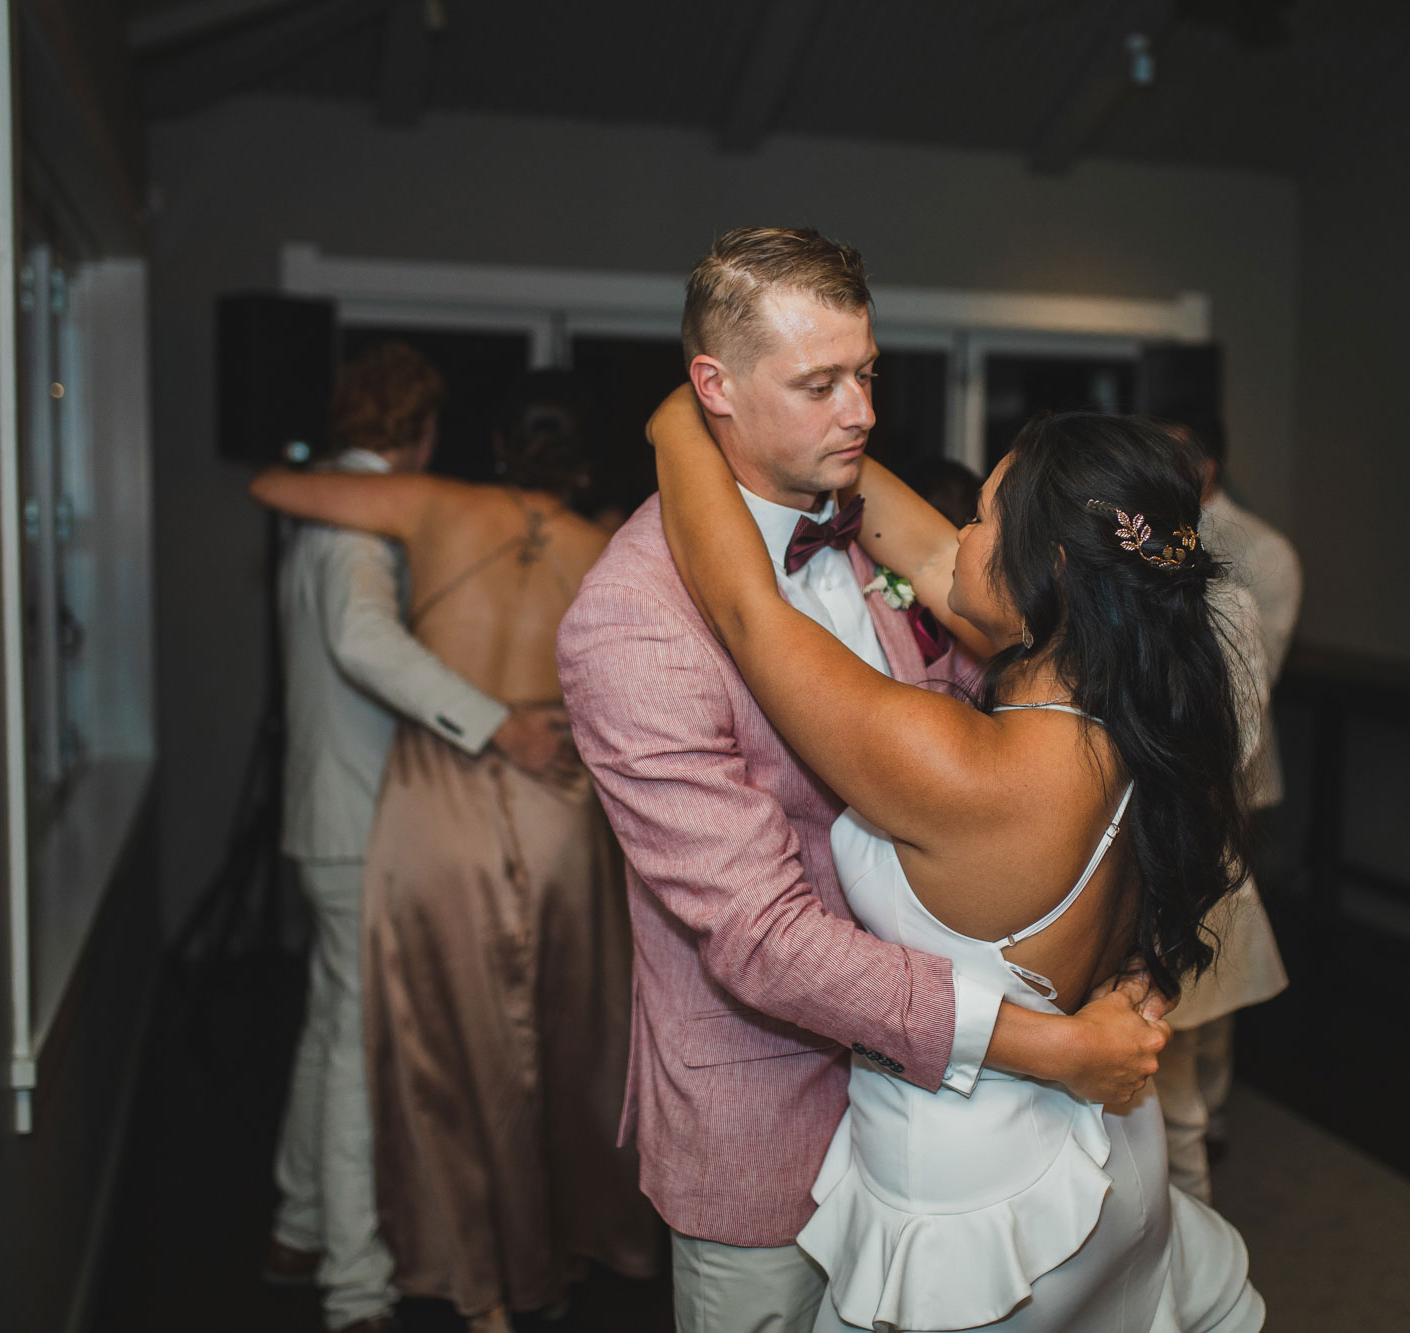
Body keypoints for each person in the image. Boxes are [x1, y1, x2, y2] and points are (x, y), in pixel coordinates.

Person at [555, 227, 1196, 1332]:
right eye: (818, 384)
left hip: (956, 1131)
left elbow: (989, 697)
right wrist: (1046, 1037)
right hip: (769, 1126)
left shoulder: (864, 531)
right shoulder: (629, 624)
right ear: (713, 384)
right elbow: (760, 937)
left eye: (866, 374)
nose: (858, 412)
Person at [648, 380, 1266, 1331]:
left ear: (1046, 568)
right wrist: (803, 420)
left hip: (988, 1224)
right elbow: (930, 551)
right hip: (1110, 1164)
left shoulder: (965, 765)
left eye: (983, 514)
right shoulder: (1150, 706)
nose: (960, 532)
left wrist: (683, 419)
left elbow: (743, 609)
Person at [250, 376, 660, 1331]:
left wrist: (322, 459)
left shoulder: (435, 503)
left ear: (495, 443)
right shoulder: (612, 547)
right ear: (585, 457)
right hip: (558, 796)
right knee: (552, 1041)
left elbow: (271, 488)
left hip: (435, 800)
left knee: (442, 1043)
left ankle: (461, 1278)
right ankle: (533, 1263)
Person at [1151, 413, 1295, 1200]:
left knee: (1206, 993)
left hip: (1207, 814)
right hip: (1137, 849)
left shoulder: (1242, 577)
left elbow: (1236, 720)